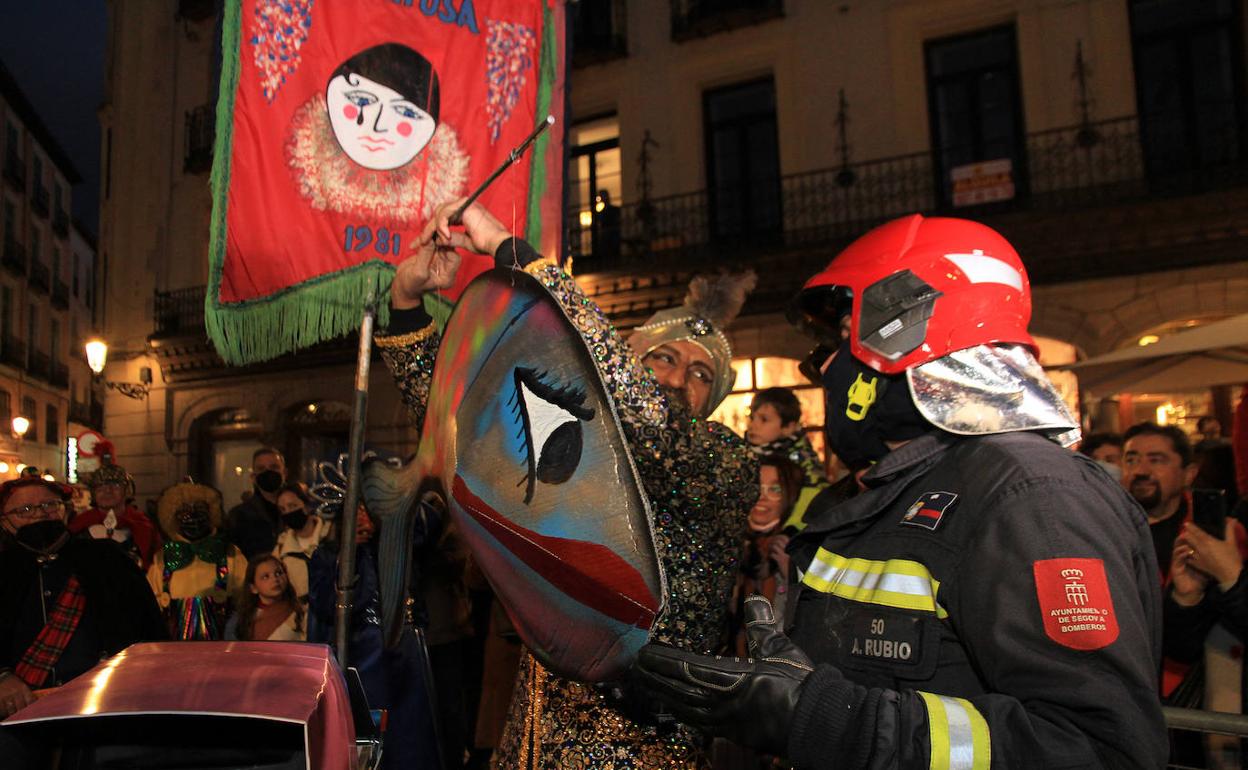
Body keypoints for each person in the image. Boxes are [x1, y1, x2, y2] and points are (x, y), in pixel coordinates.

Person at [634, 213, 1167, 768]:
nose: (820, 369)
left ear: (902, 334)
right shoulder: (864, 496)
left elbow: (1099, 750)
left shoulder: (1036, 499)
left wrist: (826, 720)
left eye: (839, 341)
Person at [378, 198, 757, 769]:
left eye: (702, 374)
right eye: (664, 359)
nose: (680, 378)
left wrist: (517, 257)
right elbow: (462, 431)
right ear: (630, 362)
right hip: (531, 740)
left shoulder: (723, 464)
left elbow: (646, 418)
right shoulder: (578, 452)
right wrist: (407, 303)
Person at [0, 474, 165, 716]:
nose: (39, 514)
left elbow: (149, 629)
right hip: (23, 709)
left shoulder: (109, 558)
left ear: (65, 511)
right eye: (24, 510)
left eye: (49, 505)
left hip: (106, 703)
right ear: (4, 522)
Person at [308, 504, 441, 770]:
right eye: (354, 512)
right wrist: (348, 555)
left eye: (365, 511)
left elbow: (427, 530)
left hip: (404, 650)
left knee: (412, 731)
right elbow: (324, 606)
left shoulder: (396, 547)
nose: (361, 519)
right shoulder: (327, 555)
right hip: (361, 652)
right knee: (369, 729)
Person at [149, 481, 249, 640]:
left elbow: (246, 601)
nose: (193, 517)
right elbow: (151, 607)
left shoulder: (231, 554)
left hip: (223, 651)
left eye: (199, 509)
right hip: (173, 653)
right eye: (185, 511)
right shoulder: (162, 559)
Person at [66, 446, 159, 570]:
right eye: (100, 488)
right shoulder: (79, 525)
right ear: (93, 494)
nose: (107, 491)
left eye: (114, 486)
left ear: (126, 491)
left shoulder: (143, 525)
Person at [225, 554, 305, 641]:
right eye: (266, 577)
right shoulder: (240, 621)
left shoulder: (300, 612)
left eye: (279, 573)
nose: (275, 579)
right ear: (253, 588)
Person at [226, 447, 287, 559]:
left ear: (285, 473)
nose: (268, 472)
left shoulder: (298, 510)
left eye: (274, 467)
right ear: (253, 477)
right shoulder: (238, 516)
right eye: (261, 469)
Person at [274, 482, 326, 602]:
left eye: (292, 506)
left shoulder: (331, 536)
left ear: (306, 506)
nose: (288, 512)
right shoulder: (281, 550)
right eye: (282, 509)